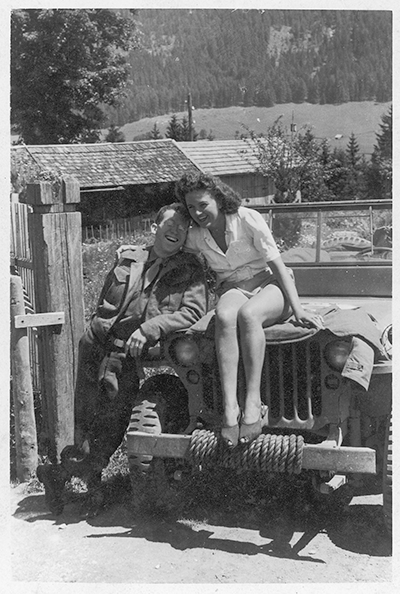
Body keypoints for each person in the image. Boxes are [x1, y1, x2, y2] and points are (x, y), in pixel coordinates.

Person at [37, 203, 208, 515]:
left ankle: (66, 476)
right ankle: (82, 482)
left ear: (186, 236)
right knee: (86, 416)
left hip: (127, 354)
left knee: (113, 419)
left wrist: (152, 327)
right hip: (95, 345)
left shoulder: (189, 270)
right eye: (169, 225)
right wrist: (94, 329)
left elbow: (193, 313)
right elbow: (106, 299)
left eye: (182, 229)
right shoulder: (128, 257)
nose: (175, 232)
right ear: (155, 227)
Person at [175, 172, 324, 449]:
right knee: (223, 315)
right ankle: (230, 409)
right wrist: (137, 251)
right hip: (234, 288)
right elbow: (167, 245)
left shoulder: (247, 218)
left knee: (248, 315)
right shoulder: (196, 235)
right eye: (191, 207)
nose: (197, 212)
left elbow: (278, 265)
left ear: (218, 198)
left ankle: (253, 403)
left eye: (203, 204)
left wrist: (298, 309)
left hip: (271, 284)